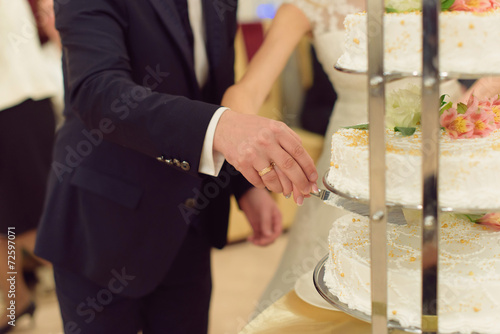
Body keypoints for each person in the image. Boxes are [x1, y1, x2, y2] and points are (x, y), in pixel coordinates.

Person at [33, 0, 318, 333]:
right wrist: (221, 129)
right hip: (103, 222)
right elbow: (98, 92)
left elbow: (215, 83)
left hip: (189, 218)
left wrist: (241, 185)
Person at [221, 0, 464, 314]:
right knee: (349, 294)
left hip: (453, 154)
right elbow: (247, 91)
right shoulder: (306, 7)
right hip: (358, 167)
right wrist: (244, 140)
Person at [0, 0, 59, 332]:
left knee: (31, 222)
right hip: (13, 103)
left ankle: (106, 284)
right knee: (4, 225)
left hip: (17, 104)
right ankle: (16, 301)